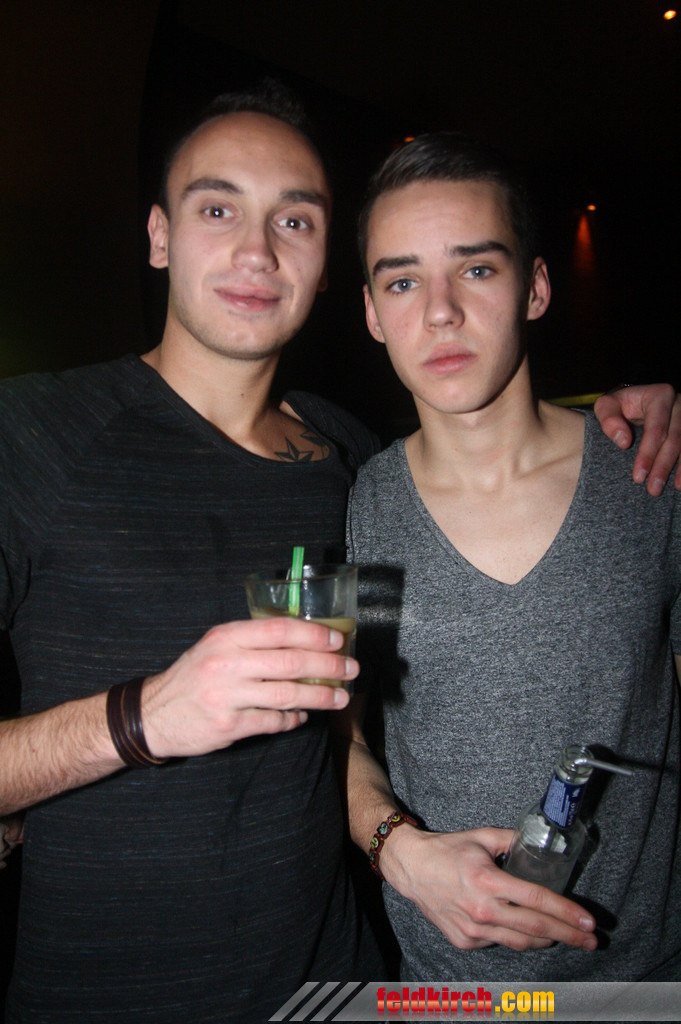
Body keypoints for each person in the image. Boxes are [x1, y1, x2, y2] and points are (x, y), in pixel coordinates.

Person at [0, 86, 678, 1020]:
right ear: (158, 235)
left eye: (294, 220)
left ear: (324, 272)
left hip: (346, 988)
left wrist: (642, 411)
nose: (256, 250)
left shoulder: (348, 467)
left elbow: (349, 724)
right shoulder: (31, 436)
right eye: (216, 209)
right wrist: (141, 717)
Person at [341, 131, 681, 982]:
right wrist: (394, 846)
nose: (440, 312)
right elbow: (331, 730)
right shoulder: (358, 505)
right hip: (449, 989)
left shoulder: (650, 475)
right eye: (403, 281)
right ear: (372, 313)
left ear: (534, 286)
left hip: (651, 977)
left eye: (476, 269)